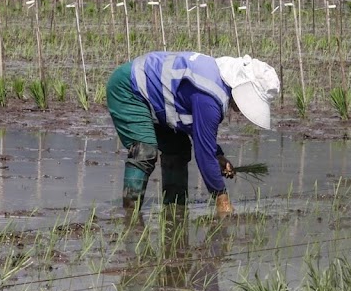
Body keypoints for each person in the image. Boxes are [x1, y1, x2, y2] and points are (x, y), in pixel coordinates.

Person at [105, 52, 280, 216]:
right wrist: (222, 199)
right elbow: (204, 155)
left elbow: (200, 134)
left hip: (157, 98)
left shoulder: (215, 86)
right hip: (128, 87)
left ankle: (175, 213)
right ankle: (130, 217)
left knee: (178, 149)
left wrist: (218, 155)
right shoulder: (210, 97)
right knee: (145, 151)